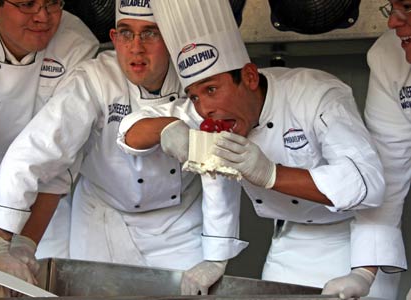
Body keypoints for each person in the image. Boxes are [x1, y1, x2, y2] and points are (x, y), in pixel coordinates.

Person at [118, 0, 396, 299]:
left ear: (249, 77)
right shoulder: (209, 113)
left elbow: (366, 183)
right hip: (289, 241)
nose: (205, 108)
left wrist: (272, 174)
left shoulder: (316, 93)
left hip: (355, 243)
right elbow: (129, 129)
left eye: (211, 90)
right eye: (194, 96)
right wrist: (166, 128)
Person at [0, 0, 248, 296]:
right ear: (114, 37)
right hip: (101, 220)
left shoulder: (197, 82)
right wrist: (1, 244)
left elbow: (217, 168)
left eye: (150, 33)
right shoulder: (95, 78)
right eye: (126, 33)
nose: (136, 48)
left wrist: (216, 255)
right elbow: (37, 148)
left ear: (171, 38)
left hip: (181, 226)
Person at [0, 0, 98, 263]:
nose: (42, 17)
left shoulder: (77, 43)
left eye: (52, 4)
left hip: (43, 201)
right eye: (27, 4)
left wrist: (25, 246)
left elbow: (58, 145)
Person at [326, 1, 411, 298]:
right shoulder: (389, 55)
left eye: (409, 7)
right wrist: (364, 270)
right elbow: (388, 170)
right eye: (394, 8)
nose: (394, 23)